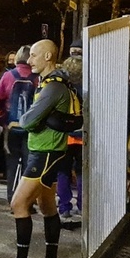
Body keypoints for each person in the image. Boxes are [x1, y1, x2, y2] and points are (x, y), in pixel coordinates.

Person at [0, 40, 81, 258]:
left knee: (18, 204)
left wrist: (30, 120)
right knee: (47, 206)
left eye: (33, 55)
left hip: (44, 152)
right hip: (48, 150)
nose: (29, 60)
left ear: (47, 56)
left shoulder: (53, 87)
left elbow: (27, 121)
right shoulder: (50, 83)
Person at [0, 44, 38, 195]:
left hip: (11, 126)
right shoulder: (37, 77)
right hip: (31, 127)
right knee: (29, 164)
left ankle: (12, 197)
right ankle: (26, 199)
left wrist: (3, 112)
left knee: (12, 164)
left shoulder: (8, 76)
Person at [55, 56, 85, 229]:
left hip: (65, 136)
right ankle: (82, 205)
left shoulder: (63, 87)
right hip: (82, 136)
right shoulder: (87, 87)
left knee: (63, 172)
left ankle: (64, 207)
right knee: (81, 172)